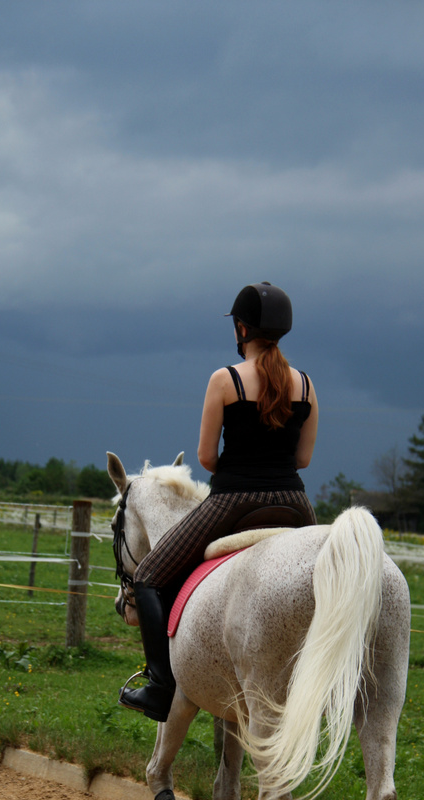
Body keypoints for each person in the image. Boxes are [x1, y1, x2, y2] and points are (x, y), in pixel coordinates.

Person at [119, 281, 319, 722]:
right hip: (295, 503)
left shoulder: (224, 380)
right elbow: (302, 458)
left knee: (150, 575)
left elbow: (207, 458)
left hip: (234, 500)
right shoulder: (305, 385)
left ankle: (159, 686)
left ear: (241, 330)